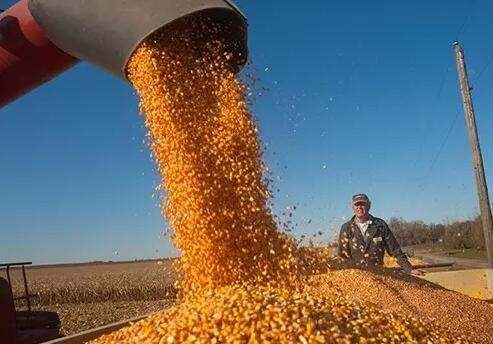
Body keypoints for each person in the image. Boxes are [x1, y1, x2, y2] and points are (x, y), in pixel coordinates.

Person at [338, 193, 424, 276]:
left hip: (379, 275)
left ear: (369, 206)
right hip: (357, 277)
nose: (359, 207)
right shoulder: (346, 228)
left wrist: (409, 268)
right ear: (352, 207)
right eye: (357, 205)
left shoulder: (380, 225)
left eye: (363, 204)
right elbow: (343, 256)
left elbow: (395, 251)